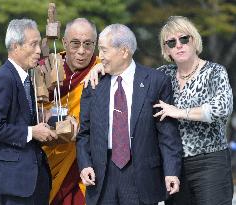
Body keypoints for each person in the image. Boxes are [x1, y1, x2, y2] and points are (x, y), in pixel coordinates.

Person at [76, 23, 182, 205]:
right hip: (102, 176)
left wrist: (171, 171)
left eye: (104, 50)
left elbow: (167, 135)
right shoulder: (93, 83)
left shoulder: (156, 82)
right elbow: (84, 133)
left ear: (124, 52)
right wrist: (85, 164)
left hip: (141, 176)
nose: (100, 56)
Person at [153, 16, 234, 205]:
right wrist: (101, 66)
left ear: (194, 40)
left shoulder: (214, 72)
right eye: (171, 42)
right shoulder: (163, 75)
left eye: (184, 39)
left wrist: (180, 112)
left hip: (210, 162)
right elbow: (133, 81)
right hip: (175, 166)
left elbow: (222, 108)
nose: (178, 45)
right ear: (166, 50)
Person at [0, 19, 57, 205]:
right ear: (15, 46)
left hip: (34, 179)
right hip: (15, 182)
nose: (39, 50)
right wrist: (32, 132)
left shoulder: (27, 78)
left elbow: (23, 118)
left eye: (39, 44)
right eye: (33, 44)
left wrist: (45, 119)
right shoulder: (3, 79)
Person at [42, 18, 101, 205]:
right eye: (75, 44)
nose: (82, 51)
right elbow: (32, 107)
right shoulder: (48, 68)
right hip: (51, 155)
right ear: (65, 42)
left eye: (88, 44)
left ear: (96, 44)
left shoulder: (103, 71)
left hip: (86, 163)